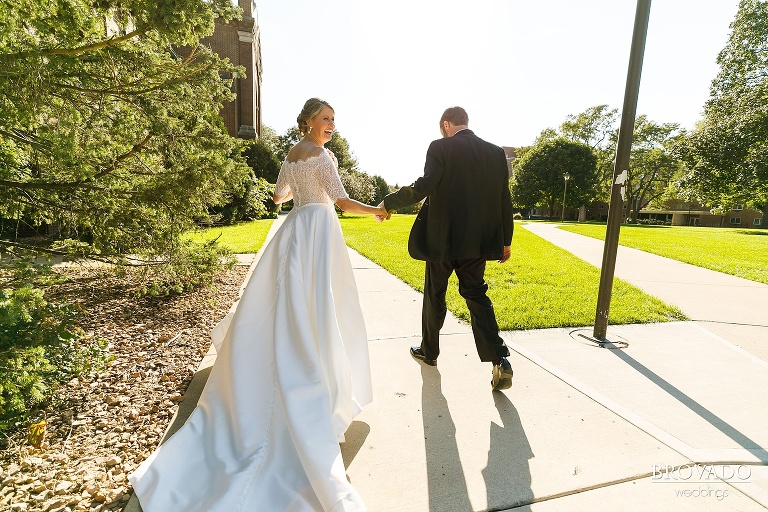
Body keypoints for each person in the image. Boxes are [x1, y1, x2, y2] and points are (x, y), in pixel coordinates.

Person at [129, 98, 387, 511]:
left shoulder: (291, 153)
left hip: (296, 230)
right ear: (308, 122)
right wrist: (374, 209)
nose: (331, 126)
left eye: (334, 120)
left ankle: (286, 366)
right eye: (325, 119)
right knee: (319, 308)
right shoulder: (323, 156)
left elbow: (277, 196)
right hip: (319, 232)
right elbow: (338, 200)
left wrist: (290, 197)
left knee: (288, 307)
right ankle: (314, 382)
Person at [380, 106, 514, 391]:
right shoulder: (494, 153)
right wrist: (506, 241)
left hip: (442, 240)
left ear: (446, 124)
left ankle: (429, 352)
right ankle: (500, 358)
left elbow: (425, 185)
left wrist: (390, 202)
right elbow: (504, 198)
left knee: (434, 295)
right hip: (477, 243)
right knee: (477, 295)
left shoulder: (440, 147)